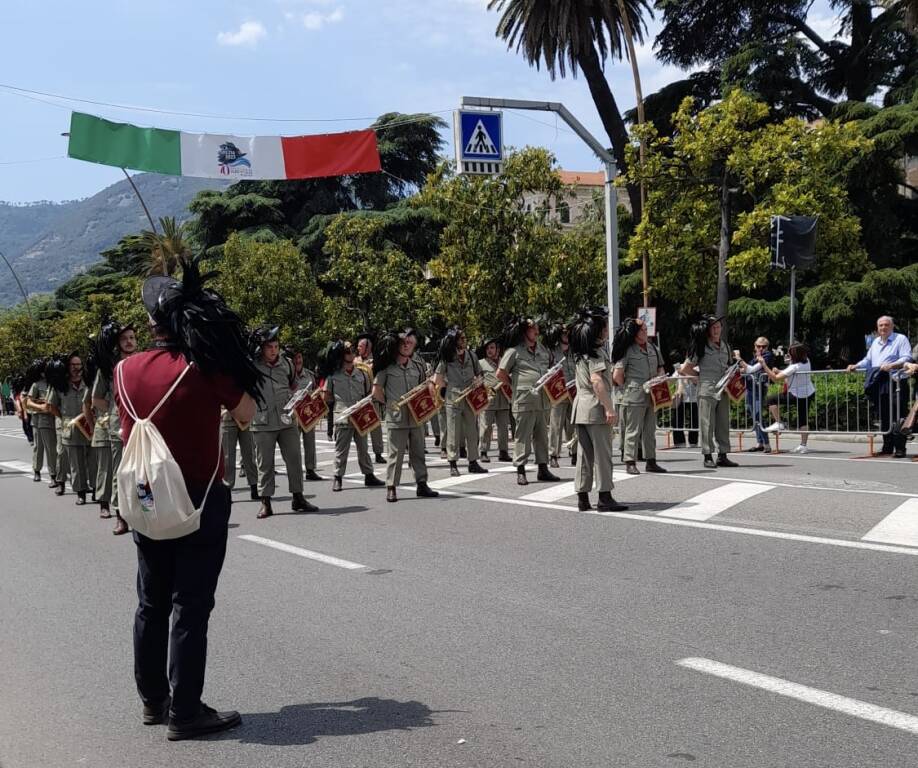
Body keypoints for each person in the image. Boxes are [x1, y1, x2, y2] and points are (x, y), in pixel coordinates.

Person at [116, 258, 257, 741]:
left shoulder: (123, 370)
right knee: (190, 605)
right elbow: (246, 414)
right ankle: (186, 710)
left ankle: (153, 700)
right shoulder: (204, 366)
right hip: (199, 496)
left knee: (150, 601)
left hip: (147, 497)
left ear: (151, 324)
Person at [250, 326, 317, 518]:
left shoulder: (287, 364)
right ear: (262, 348)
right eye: (269, 347)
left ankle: (298, 497)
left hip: (286, 419)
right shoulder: (253, 366)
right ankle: (266, 502)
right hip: (263, 421)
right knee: (265, 464)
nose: (273, 350)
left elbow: (293, 385)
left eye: (276, 346)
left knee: (294, 459)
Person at [570, 307, 628, 512]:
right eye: (605, 325)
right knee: (602, 455)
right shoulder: (596, 352)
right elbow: (597, 381)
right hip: (595, 408)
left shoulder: (581, 352)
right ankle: (604, 496)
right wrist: (609, 408)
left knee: (584, 456)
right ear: (599, 329)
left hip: (581, 408)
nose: (607, 329)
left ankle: (582, 496)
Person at [372, 329, 440, 503]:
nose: (406, 345)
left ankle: (422, 484)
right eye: (403, 343)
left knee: (418, 453)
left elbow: (423, 387)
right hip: (396, 418)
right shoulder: (387, 367)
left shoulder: (417, 366)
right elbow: (376, 390)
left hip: (416, 417)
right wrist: (390, 403)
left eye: (409, 343)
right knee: (395, 455)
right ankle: (391, 487)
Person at [496, 317, 561, 486]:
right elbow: (500, 374)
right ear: (525, 331)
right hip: (524, 401)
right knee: (522, 437)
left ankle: (543, 469)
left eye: (537, 328)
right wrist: (514, 384)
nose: (537, 332)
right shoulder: (514, 351)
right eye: (533, 329)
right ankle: (521, 470)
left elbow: (550, 368)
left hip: (542, 401)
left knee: (542, 437)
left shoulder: (543, 350)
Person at [93, 321, 139, 536]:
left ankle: (145, 512)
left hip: (143, 424)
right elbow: (97, 399)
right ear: (117, 343)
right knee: (120, 471)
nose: (129, 342)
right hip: (118, 426)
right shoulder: (107, 369)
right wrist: (115, 408)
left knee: (144, 470)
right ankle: (120, 515)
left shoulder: (143, 362)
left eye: (132, 337)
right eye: (124, 338)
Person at [320, 340, 385, 491]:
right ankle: (338, 477)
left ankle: (369, 475)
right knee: (341, 450)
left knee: (363, 448)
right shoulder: (333, 375)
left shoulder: (362, 373)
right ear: (342, 355)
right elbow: (326, 396)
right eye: (348, 351)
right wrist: (340, 404)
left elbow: (368, 393)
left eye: (353, 350)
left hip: (360, 416)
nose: (352, 353)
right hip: (342, 417)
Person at [680, 316, 742, 469]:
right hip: (707, 389)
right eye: (713, 327)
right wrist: (699, 377)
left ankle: (723, 455)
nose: (716, 330)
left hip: (724, 389)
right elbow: (685, 368)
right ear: (707, 330)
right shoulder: (701, 345)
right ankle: (707, 455)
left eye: (718, 327)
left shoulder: (725, 346)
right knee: (707, 423)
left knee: (723, 423)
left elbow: (729, 364)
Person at [846, 315, 912, 458]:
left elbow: (907, 357)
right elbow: (868, 360)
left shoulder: (900, 339)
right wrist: (856, 365)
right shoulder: (876, 342)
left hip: (896, 382)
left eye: (886, 325)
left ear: (892, 326)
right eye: (881, 325)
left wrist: (892, 365)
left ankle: (900, 448)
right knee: (884, 416)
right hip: (880, 382)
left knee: (898, 415)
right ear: (877, 328)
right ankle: (887, 447)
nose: (883, 327)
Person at [612, 318, 666, 475]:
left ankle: (651, 461)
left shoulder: (653, 348)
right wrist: (630, 386)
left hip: (652, 395)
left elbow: (660, 368)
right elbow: (617, 375)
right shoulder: (628, 350)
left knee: (650, 430)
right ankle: (630, 461)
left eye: (646, 329)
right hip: (634, 396)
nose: (645, 331)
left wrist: (659, 379)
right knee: (632, 430)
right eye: (642, 330)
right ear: (635, 333)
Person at [433, 327, 488, 477]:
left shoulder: (471, 355)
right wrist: (449, 387)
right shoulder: (447, 357)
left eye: (465, 338)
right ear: (454, 341)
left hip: (470, 397)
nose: (464, 341)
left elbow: (480, 373)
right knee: (453, 431)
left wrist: (478, 381)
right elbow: (437, 379)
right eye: (461, 338)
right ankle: (453, 462)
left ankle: (473, 462)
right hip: (454, 398)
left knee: (472, 430)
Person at [47, 352, 91, 504]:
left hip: (89, 425)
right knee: (75, 463)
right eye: (73, 364)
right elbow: (51, 406)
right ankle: (80, 492)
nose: (76, 368)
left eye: (78, 364)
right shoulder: (60, 385)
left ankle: (95, 490)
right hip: (70, 427)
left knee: (93, 461)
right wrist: (64, 418)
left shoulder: (89, 382)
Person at [758, 343, 816, 453]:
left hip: (796, 394)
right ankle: (803, 445)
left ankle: (779, 423)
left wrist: (764, 365)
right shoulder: (806, 361)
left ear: (795, 355)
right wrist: (780, 371)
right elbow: (791, 374)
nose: (788, 355)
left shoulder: (794, 366)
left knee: (771, 399)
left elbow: (775, 379)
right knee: (803, 419)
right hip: (808, 392)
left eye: (790, 353)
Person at [545, 324, 577, 468]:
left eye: (568, 333)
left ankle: (575, 453)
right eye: (563, 333)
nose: (566, 336)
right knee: (556, 425)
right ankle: (553, 455)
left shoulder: (574, 351)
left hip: (574, 392)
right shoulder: (552, 352)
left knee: (574, 424)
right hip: (558, 393)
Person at [477, 336, 512, 463]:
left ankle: (503, 451)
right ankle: (483, 451)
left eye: (492, 348)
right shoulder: (481, 363)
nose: (490, 351)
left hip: (503, 398)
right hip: (488, 399)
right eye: (487, 348)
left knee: (503, 427)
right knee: (486, 426)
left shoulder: (504, 362)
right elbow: (476, 380)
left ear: (497, 349)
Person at [290, 349, 323, 482]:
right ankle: (295, 470)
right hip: (293, 415)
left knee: (310, 443)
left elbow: (315, 390)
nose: (298, 361)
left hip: (308, 414)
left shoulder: (309, 375)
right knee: (293, 445)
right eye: (295, 358)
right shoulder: (287, 376)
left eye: (299, 357)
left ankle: (310, 469)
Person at [24, 359, 58, 485]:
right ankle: (37, 470)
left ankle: (53, 473)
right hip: (39, 419)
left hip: (53, 418)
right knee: (39, 448)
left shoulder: (56, 383)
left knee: (51, 448)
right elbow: (28, 402)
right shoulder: (37, 385)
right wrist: (41, 406)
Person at [354, 334, 386, 464]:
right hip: (359, 398)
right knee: (360, 427)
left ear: (368, 348)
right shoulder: (355, 361)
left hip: (372, 397)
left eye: (361, 346)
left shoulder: (376, 360)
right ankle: (362, 454)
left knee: (375, 426)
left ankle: (378, 453)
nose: (358, 348)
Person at [742, 337, 774, 453]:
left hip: (759, 388)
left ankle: (766, 444)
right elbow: (747, 369)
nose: (760, 348)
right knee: (752, 413)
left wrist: (740, 360)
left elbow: (751, 369)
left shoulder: (767, 355)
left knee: (758, 415)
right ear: (755, 346)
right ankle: (759, 442)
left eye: (763, 346)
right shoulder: (755, 357)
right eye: (758, 346)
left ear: (767, 347)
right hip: (750, 388)